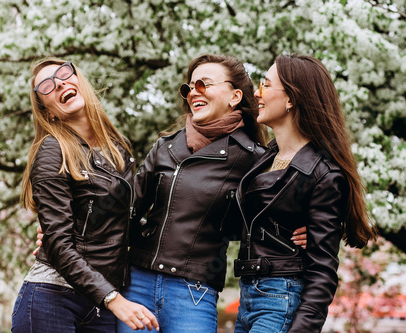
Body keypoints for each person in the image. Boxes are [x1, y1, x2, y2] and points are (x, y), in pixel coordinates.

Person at [116, 54, 306, 332]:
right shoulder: (165, 147)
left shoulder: (254, 159)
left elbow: (275, 215)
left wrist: (312, 226)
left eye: (203, 84)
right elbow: (125, 210)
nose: (194, 92)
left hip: (194, 291)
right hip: (137, 284)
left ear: (234, 96)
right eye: (190, 87)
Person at [11, 58, 159, 332]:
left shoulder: (118, 150)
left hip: (98, 305)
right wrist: (113, 299)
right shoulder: (53, 150)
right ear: (48, 112)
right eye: (46, 85)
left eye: (64, 73)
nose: (58, 83)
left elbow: (121, 225)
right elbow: (58, 242)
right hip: (53, 297)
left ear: (80, 81)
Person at [233, 54, 377, 333]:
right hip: (249, 297)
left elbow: (323, 273)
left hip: (281, 299)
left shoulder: (324, 175)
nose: (256, 92)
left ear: (291, 100)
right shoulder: (265, 158)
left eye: (266, 84)